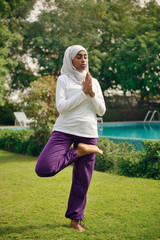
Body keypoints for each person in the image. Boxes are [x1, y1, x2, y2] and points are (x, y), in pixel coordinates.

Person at [35, 45, 106, 232]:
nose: (83, 59)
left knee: (82, 180)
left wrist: (91, 93)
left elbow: (101, 110)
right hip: (64, 130)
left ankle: (75, 219)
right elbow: (62, 108)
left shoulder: (94, 82)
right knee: (44, 168)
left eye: (85, 56)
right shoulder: (64, 79)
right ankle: (79, 151)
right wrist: (83, 93)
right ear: (70, 60)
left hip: (88, 132)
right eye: (78, 57)